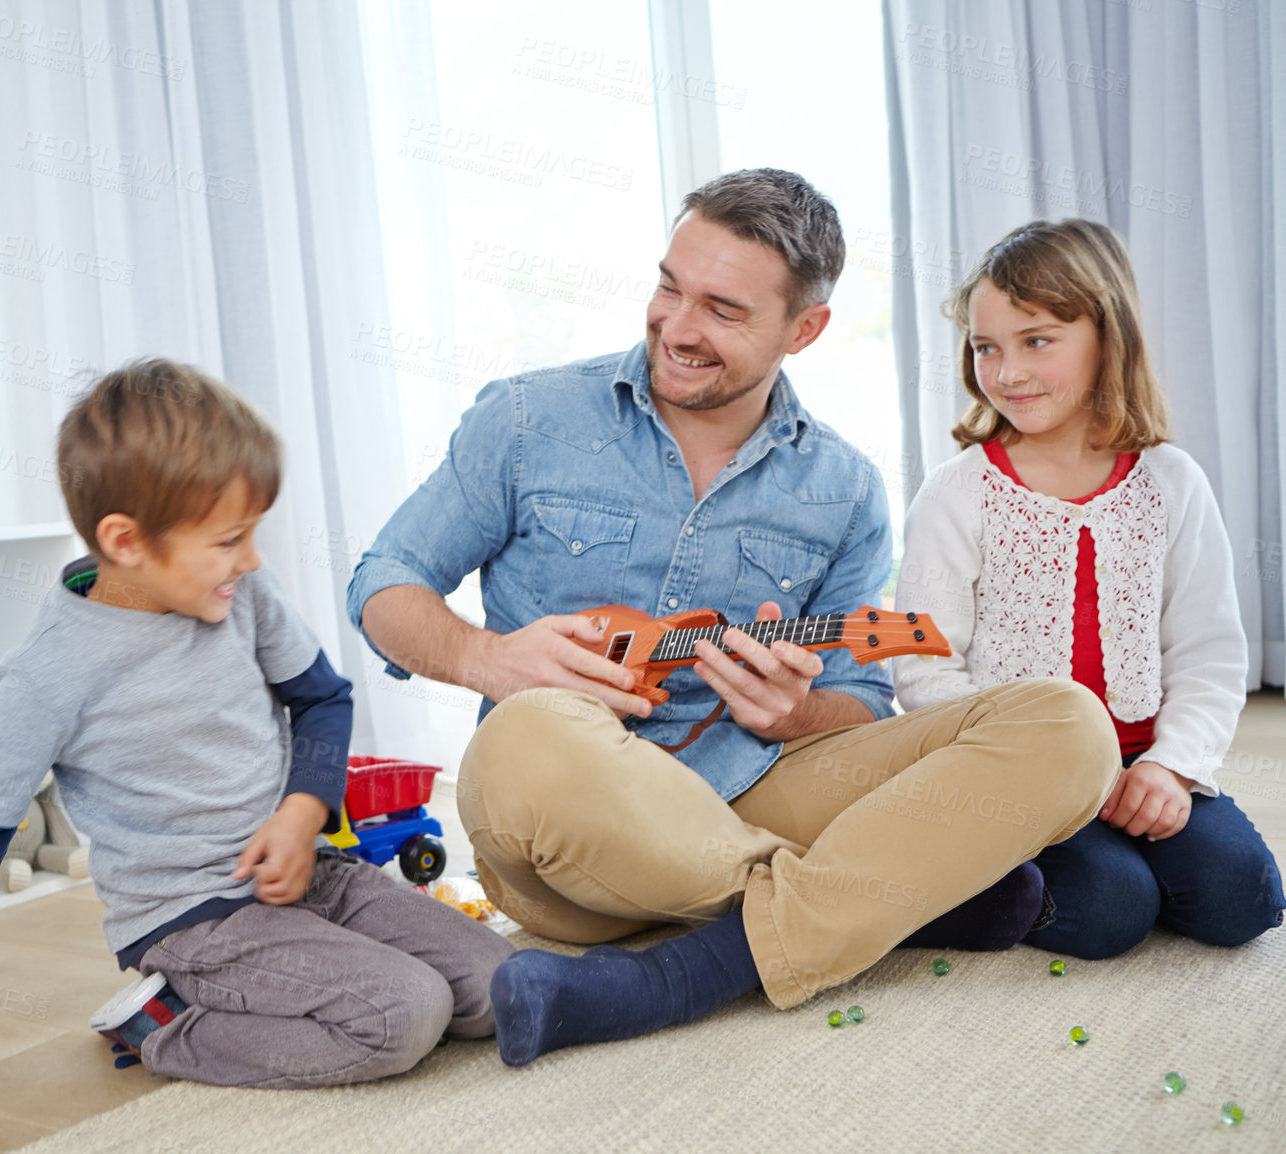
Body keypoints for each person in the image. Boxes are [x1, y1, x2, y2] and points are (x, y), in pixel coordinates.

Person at [347, 168, 1120, 1068]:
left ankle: (691, 969)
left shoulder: (842, 486)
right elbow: (384, 581)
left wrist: (798, 715)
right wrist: (491, 662)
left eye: (722, 309)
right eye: (670, 287)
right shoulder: (528, 419)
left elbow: (862, 701)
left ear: (806, 329)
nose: (677, 327)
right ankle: (901, 893)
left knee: (1067, 723)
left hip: (754, 782)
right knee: (528, 736)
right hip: (567, 807)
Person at [0, 359, 511, 1092]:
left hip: (306, 872)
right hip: (192, 921)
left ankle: (313, 971)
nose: (253, 558)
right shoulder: (48, 674)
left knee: (495, 985)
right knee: (404, 1015)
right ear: (128, 542)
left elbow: (322, 697)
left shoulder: (242, 590)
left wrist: (302, 813)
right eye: (230, 539)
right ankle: (161, 1024)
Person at [893, 218, 1284, 960]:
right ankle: (978, 887)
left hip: (1145, 761)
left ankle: (1122, 853)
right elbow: (922, 671)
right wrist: (1060, 775)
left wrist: (1171, 768)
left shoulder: (1170, 481)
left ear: (1108, 334)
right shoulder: (958, 493)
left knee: (1245, 899)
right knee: (1112, 912)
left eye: (1036, 340)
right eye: (986, 347)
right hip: (1025, 775)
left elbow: (1208, 651)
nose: (1006, 372)